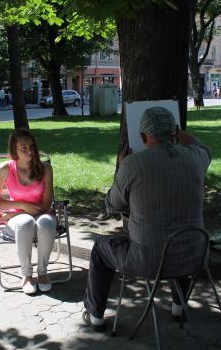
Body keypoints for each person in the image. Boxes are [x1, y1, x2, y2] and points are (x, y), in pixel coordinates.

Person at [81, 107, 211, 330]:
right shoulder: (195, 158)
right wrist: (181, 135)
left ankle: (96, 316)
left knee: (100, 249)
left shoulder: (132, 165)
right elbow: (204, 149)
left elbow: (112, 205)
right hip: (195, 255)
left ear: (142, 137)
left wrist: (122, 168)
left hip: (148, 261)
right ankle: (178, 308)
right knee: (179, 241)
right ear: (175, 132)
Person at [0, 128, 56, 295]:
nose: (30, 151)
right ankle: (26, 275)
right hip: (17, 221)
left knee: (46, 223)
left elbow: (46, 205)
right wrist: (22, 208)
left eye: (32, 147)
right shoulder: (5, 169)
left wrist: (16, 211)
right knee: (25, 222)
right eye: (23, 148)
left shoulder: (45, 168)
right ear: (14, 150)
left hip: (39, 214)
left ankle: (42, 273)